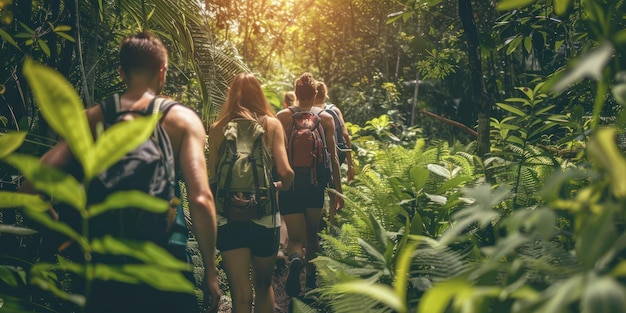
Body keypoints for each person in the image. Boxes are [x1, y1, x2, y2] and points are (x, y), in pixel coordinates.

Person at [19, 31, 221, 313]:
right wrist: (210, 272)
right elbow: (201, 200)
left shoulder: (92, 119)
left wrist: (64, 237)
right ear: (162, 73)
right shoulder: (182, 120)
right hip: (165, 262)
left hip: (102, 268)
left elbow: (29, 190)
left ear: (122, 72)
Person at [208, 73, 294, 313]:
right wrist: (279, 186)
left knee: (241, 294)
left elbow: (212, 178)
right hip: (265, 215)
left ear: (231, 95)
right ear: (259, 94)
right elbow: (286, 173)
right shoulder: (271, 124)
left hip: (228, 216)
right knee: (263, 284)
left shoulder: (218, 128)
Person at [276, 73, 344, 297]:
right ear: (315, 94)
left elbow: (272, 155)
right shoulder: (326, 118)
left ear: (295, 94)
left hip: (290, 185)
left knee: (296, 238)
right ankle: (311, 281)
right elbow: (333, 157)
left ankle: (295, 258)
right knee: (313, 234)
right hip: (315, 185)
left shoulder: (283, 117)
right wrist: (338, 190)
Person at [314, 81, 354, 223]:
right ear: (325, 94)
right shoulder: (333, 110)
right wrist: (350, 165)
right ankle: (332, 223)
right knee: (333, 192)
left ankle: (318, 222)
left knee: (317, 191)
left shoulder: (307, 112)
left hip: (315, 159)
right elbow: (345, 136)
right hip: (334, 156)